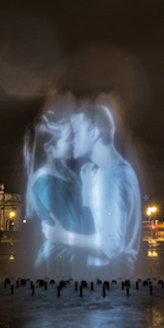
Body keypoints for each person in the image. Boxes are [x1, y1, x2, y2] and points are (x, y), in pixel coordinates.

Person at [43, 102, 140, 278]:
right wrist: (87, 191)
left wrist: (62, 236)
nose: (71, 140)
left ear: (94, 133)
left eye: (77, 132)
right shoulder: (119, 170)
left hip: (106, 281)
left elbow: (108, 245)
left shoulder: (110, 177)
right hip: (115, 280)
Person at [24, 110, 95, 278]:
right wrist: (87, 191)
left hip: (66, 262)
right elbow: (80, 230)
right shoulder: (48, 183)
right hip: (60, 264)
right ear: (49, 148)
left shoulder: (60, 174)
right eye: (68, 138)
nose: (73, 142)